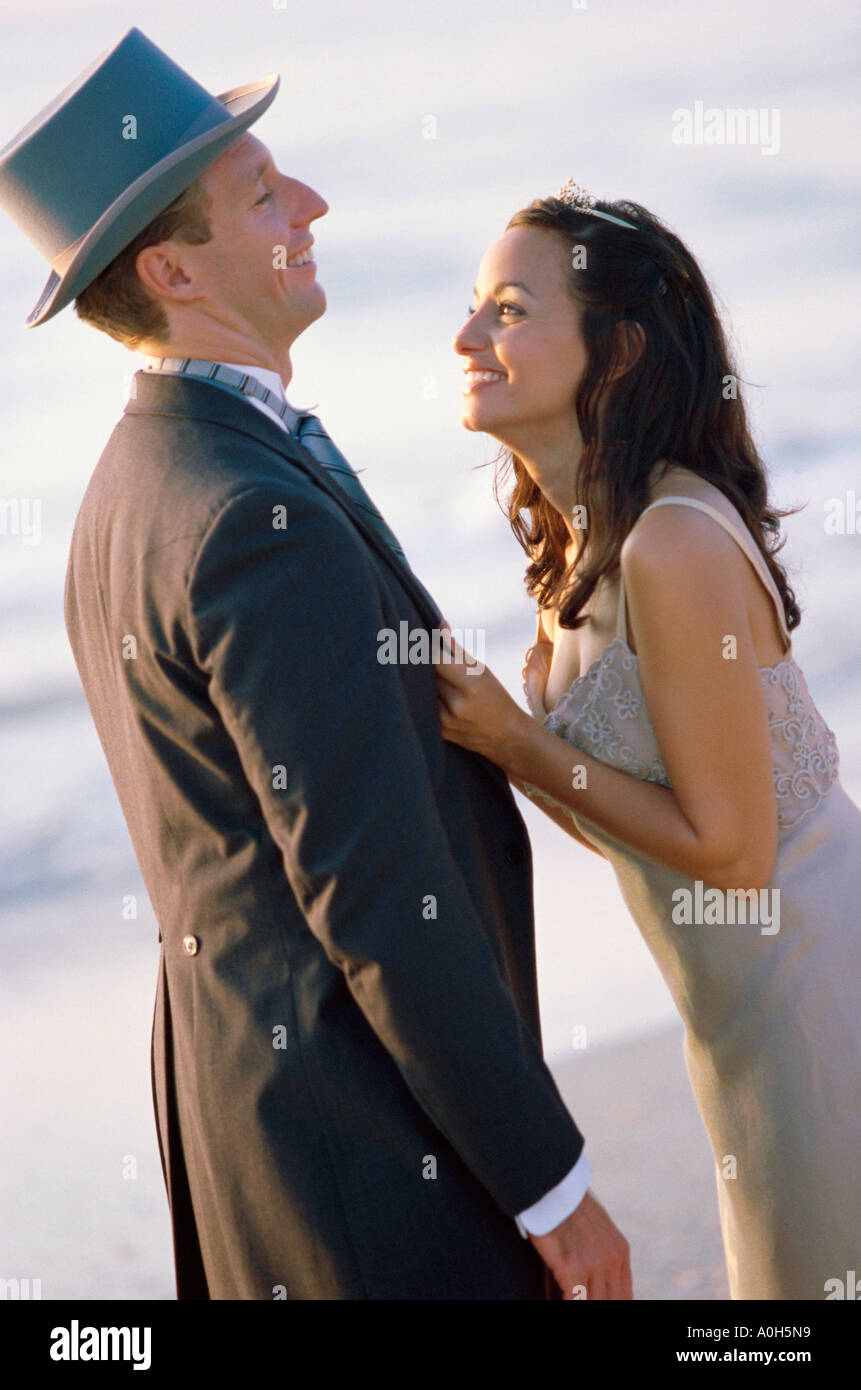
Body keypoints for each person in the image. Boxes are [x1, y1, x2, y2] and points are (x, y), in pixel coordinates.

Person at [0, 33, 632, 1299]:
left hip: (258, 1136)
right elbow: (379, 891)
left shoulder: (123, 494)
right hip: (371, 1157)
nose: (313, 205)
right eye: (262, 193)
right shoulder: (242, 520)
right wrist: (550, 1184)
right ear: (176, 268)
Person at [434, 180, 861, 1299]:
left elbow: (733, 854)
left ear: (617, 351)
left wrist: (516, 744)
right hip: (743, 1028)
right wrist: (494, 749)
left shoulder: (672, 543)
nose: (468, 335)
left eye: (511, 309)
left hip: (821, 1004)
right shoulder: (588, 549)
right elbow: (646, 835)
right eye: (476, 305)